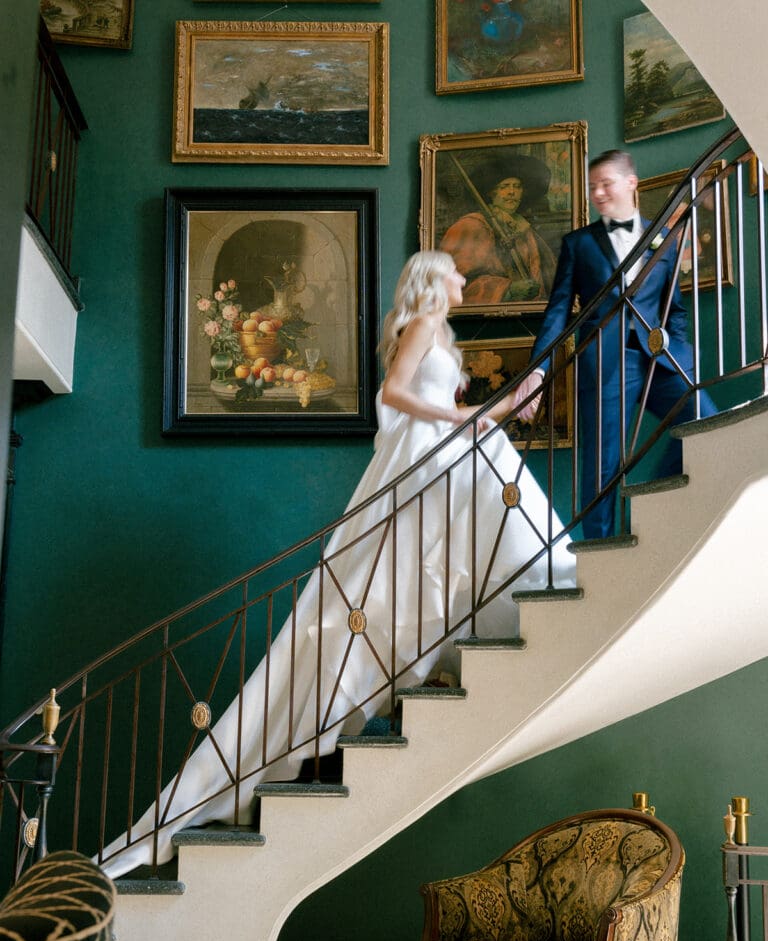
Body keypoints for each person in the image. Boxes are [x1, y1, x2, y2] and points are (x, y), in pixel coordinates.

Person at [99, 251, 576, 878]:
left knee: (468, 506)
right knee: (396, 564)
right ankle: (548, 580)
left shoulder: (441, 332)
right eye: (455, 272)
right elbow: (393, 393)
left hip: (436, 451)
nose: (464, 279)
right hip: (423, 454)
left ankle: (518, 594)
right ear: (434, 280)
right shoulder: (424, 323)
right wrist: (464, 416)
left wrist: (490, 411)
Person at [516, 149, 718, 538]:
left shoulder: (664, 239)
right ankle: (600, 554)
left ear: (631, 183)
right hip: (604, 363)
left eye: (606, 184)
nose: (598, 193)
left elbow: (674, 309)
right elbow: (558, 312)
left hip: (660, 359)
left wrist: (682, 355)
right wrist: (538, 369)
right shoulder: (578, 244)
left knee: (705, 423)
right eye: (593, 187)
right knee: (602, 467)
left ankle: (654, 503)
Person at [439, 156, 557, 306]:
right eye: (504, 187)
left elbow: (550, 273)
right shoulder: (471, 226)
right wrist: (508, 290)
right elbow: (454, 283)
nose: (511, 192)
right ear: (491, 193)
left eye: (517, 186)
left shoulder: (525, 229)